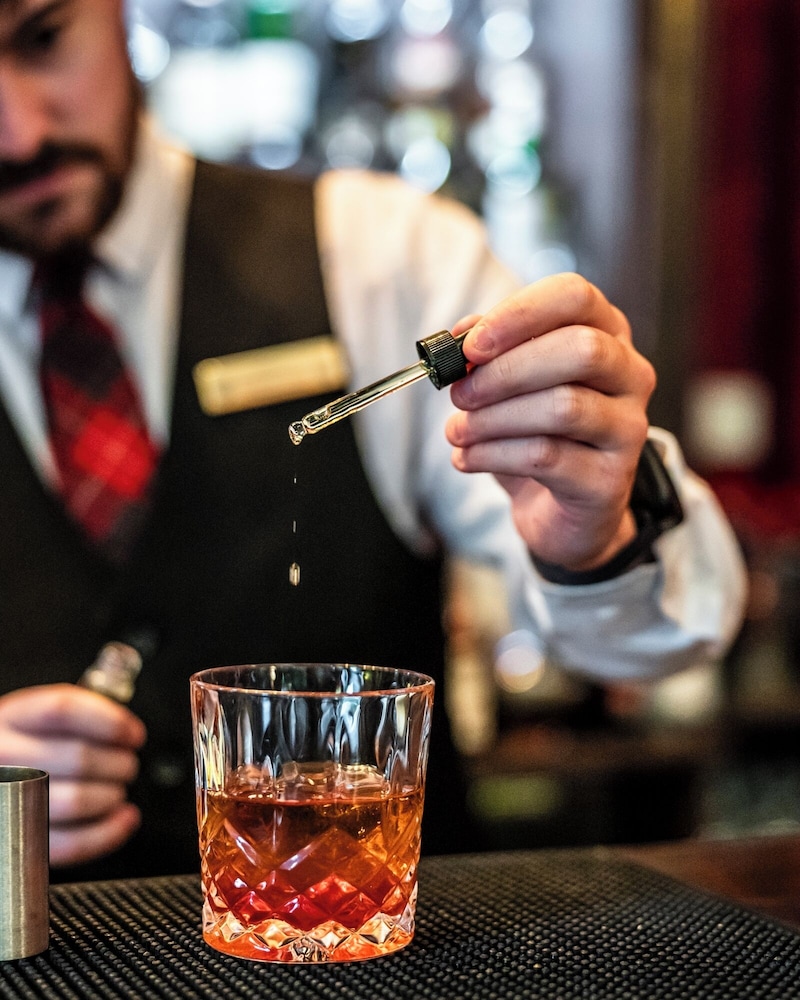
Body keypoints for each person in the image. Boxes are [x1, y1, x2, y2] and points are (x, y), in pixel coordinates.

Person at [0, 0, 745, 881]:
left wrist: (599, 538)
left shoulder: (385, 254)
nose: (19, 134)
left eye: (42, 40)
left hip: (383, 936)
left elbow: (668, 639)